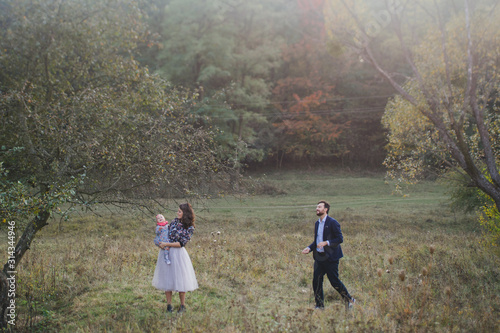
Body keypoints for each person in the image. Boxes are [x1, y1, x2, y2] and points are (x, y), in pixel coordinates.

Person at [302, 200, 355, 310]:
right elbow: (317, 241)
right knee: (316, 281)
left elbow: (339, 239)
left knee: (334, 281)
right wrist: (309, 248)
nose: (317, 208)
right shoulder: (317, 223)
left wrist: (327, 242)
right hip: (319, 258)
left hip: (331, 257)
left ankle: (349, 300)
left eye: (320, 207)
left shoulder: (333, 222)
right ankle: (319, 305)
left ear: (325, 209)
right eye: (317, 207)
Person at [152, 203, 198, 313]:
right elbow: (165, 233)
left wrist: (168, 244)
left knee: (181, 279)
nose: (177, 213)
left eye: (179, 211)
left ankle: (182, 305)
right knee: (167, 278)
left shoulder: (189, 227)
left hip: (178, 254)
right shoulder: (174, 222)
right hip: (167, 252)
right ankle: (169, 305)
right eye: (177, 211)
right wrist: (160, 242)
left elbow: (182, 243)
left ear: (185, 213)